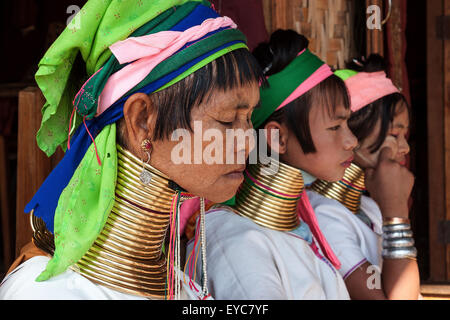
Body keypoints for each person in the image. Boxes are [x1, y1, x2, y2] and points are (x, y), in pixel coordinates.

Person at [0, 0, 264, 300]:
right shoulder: (47, 292)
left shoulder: (179, 285)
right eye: (227, 120)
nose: (249, 142)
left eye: (249, 118)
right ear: (142, 120)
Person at [185, 29, 357, 300]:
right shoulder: (234, 238)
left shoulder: (298, 225)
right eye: (335, 126)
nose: (352, 141)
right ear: (277, 138)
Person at [308, 55, 420, 299]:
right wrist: (397, 212)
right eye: (394, 134)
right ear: (354, 134)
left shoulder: (369, 208)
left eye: (405, 135)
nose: (405, 148)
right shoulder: (323, 216)